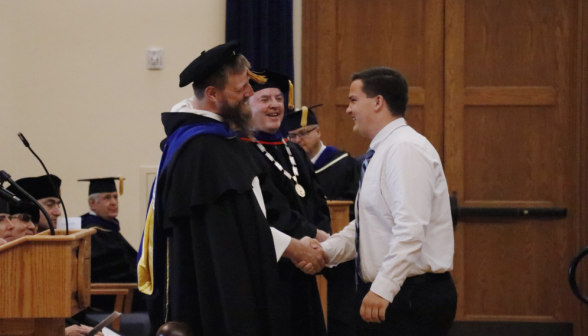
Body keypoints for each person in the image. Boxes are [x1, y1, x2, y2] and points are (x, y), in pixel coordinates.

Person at [137, 41, 328, 336]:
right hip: (217, 292)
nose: (250, 94)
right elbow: (236, 230)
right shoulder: (205, 149)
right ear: (213, 94)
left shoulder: (205, 139)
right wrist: (296, 248)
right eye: (242, 89)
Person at [302, 67, 457, 336]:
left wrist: (383, 288)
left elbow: (409, 229)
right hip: (393, 292)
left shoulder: (404, 149)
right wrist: (324, 252)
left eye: (353, 100)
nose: (348, 109)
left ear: (377, 102)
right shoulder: (382, 151)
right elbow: (368, 226)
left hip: (409, 296)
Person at [243, 69, 331, 335]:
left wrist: (318, 242)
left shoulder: (293, 150)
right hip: (273, 267)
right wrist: (314, 239)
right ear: (246, 105)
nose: (274, 105)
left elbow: (316, 200)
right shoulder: (243, 151)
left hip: (305, 267)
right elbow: (271, 210)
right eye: (265, 99)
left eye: (279, 98)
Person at [286, 106, 360, 336]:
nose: (299, 139)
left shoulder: (344, 163)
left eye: (304, 132)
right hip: (300, 246)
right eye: (293, 136)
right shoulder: (288, 166)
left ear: (318, 131)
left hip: (338, 246)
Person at [78, 177, 145, 312]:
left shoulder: (108, 228)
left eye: (115, 197)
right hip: (108, 298)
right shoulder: (92, 232)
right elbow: (114, 270)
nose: (114, 202)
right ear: (92, 204)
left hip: (123, 291)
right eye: (107, 198)